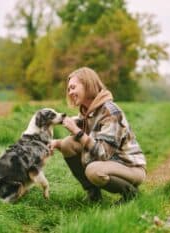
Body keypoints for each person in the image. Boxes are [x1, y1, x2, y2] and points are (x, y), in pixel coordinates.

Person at [49, 67, 146, 202]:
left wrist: (77, 131)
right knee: (67, 144)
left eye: (73, 87)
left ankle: (131, 194)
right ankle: (93, 195)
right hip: (111, 162)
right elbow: (82, 140)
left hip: (130, 167)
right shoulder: (87, 111)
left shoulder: (110, 112)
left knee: (93, 171)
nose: (70, 92)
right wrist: (56, 143)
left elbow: (102, 153)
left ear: (87, 85)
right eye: (68, 89)